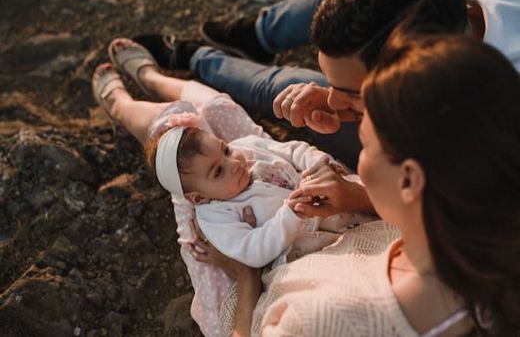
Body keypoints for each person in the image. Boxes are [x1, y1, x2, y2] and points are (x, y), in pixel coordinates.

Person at [190, 34, 520, 336]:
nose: (357, 158)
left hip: (256, 296)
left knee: (186, 139)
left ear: (409, 181)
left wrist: (245, 276)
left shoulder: (313, 322)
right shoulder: (478, 238)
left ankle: (168, 70)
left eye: (365, 144)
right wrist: (357, 198)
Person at [91, 38, 371, 337]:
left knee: (215, 108)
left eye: (225, 150)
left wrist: (317, 162)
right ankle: (140, 88)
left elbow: (292, 149)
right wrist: (289, 215)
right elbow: (251, 252)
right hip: (302, 237)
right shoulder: (215, 216)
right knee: (198, 125)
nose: (235, 162)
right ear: (198, 197)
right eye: (219, 170)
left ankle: (135, 94)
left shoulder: (244, 152)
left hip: (331, 214)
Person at [134, 0, 520, 168]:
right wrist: (352, 98)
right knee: (354, 6)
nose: (333, 102)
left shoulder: (495, 121)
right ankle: (255, 35)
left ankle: (200, 60)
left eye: (351, 93)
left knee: (287, 89)